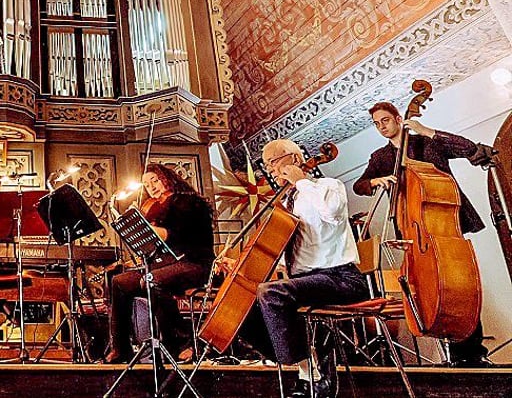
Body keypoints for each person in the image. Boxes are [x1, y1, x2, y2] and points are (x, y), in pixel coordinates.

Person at [354, 101, 489, 366]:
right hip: (413, 234)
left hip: (445, 228)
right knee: (426, 291)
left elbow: (468, 148)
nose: (382, 127)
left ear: (397, 118)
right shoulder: (380, 158)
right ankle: (447, 352)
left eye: (386, 120)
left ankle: (473, 353)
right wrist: (374, 181)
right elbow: (359, 185)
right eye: (377, 124)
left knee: (460, 288)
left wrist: (427, 130)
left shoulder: (427, 143)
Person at [236, 139, 369, 398]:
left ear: (295, 158)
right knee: (242, 311)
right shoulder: (288, 204)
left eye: (273, 162)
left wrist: (301, 181)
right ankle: (309, 367)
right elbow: (289, 253)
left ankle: (308, 376)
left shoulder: (329, 186)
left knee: (271, 294)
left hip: (341, 277)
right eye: (266, 166)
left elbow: (332, 213)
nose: (271, 171)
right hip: (307, 281)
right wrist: (240, 263)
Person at [104, 163, 214, 363]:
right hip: (167, 264)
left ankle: (185, 342)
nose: (151, 186)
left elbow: (167, 235)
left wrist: (139, 222)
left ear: (167, 178)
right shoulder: (156, 208)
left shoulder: (187, 202)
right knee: (119, 282)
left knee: (152, 280)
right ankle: (120, 347)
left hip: (194, 263)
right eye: (146, 184)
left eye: (154, 180)